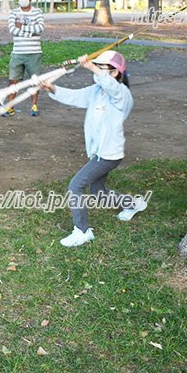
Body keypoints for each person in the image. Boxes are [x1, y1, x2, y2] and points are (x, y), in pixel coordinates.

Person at [38, 50, 146, 248]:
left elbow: (112, 87)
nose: (95, 72)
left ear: (115, 72)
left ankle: (82, 231)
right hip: (98, 153)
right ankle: (133, 204)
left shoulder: (122, 94)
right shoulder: (97, 91)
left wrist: (90, 66)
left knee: (75, 186)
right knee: (98, 192)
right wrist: (52, 88)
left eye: (100, 68)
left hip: (109, 155)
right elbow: (75, 96)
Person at [4, 0, 45, 117]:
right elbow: (12, 30)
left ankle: (34, 105)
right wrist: (30, 32)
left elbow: (40, 28)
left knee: (35, 81)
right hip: (17, 52)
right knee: (13, 80)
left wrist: (22, 27)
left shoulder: (37, 12)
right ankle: (10, 106)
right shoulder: (13, 13)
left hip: (34, 53)